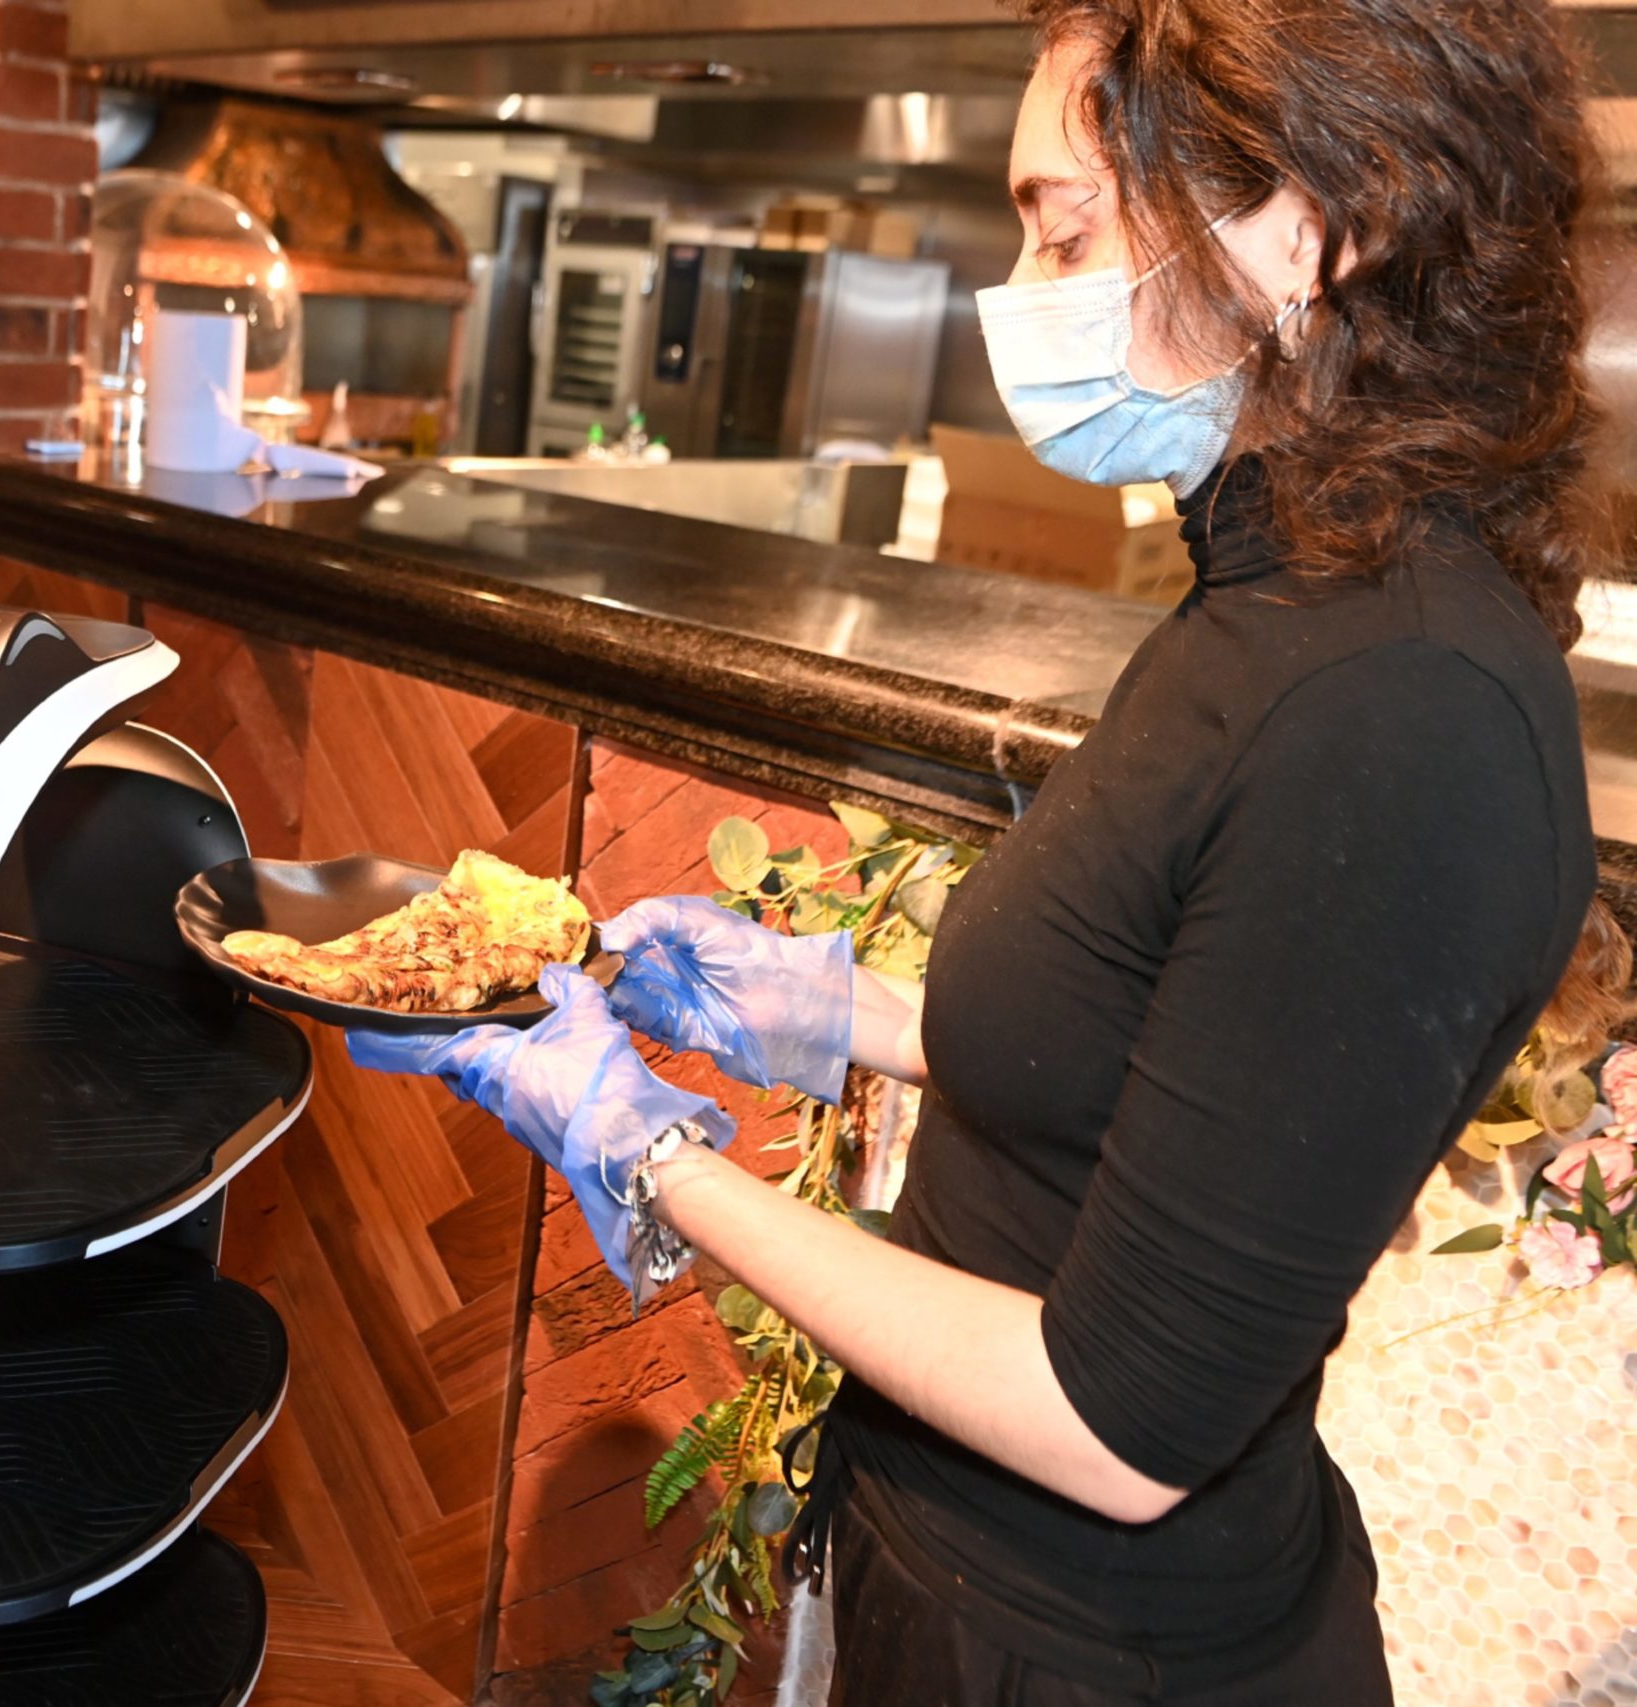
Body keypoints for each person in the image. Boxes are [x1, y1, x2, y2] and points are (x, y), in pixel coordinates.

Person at [350, 0, 1629, 1698]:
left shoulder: (1404, 713)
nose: (1025, 296)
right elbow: (1151, 1050)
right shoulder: (1273, 600)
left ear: (1312, 227)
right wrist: (827, 1014)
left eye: (1066, 228)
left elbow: (1119, 1425)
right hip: (960, 1589)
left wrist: (652, 1155)